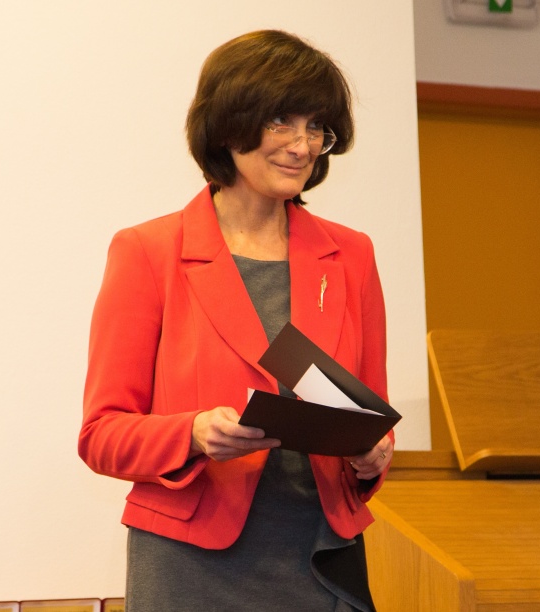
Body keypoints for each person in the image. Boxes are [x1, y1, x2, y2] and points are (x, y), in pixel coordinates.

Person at [78, 30, 393, 611]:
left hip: (323, 558)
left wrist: (374, 454)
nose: (302, 145)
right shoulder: (148, 251)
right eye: (281, 122)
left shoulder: (352, 255)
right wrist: (193, 432)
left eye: (316, 127)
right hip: (191, 566)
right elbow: (101, 435)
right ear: (228, 125)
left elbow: (370, 415)